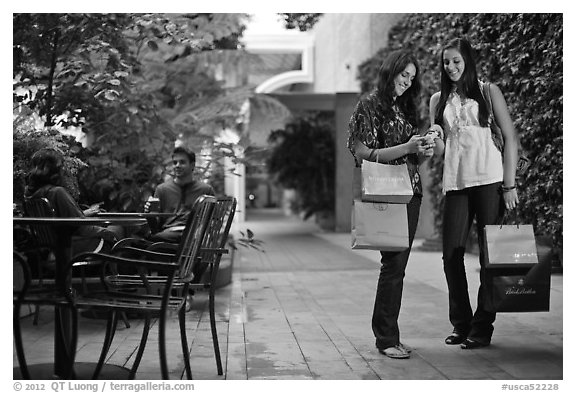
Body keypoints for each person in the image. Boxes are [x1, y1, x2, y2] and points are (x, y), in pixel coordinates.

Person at [429, 37, 519, 349]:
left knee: (490, 256)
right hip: (456, 182)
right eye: (445, 62)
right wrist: (435, 137)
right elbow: (442, 151)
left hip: (491, 182)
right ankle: (461, 322)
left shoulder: (488, 91)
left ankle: (482, 326)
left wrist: (509, 184)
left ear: (466, 60)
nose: (450, 67)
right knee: (451, 255)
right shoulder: (437, 100)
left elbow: (510, 138)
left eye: (455, 61)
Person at [347, 49, 437, 359]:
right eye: (403, 76)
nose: (407, 82)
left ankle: (391, 336)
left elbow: (414, 157)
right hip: (384, 192)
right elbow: (361, 152)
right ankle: (385, 339)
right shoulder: (369, 106)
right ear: (391, 72)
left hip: (411, 192)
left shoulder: (408, 108)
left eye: (412, 78)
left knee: (398, 267)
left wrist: (424, 148)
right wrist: (406, 146)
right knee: (393, 266)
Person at [24, 148, 119, 255]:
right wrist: (103, 228)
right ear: (56, 169)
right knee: (118, 228)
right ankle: (122, 269)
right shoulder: (57, 192)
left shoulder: (32, 194)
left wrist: (87, 213)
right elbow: (79, 225)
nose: (64, 169)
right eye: (62, 166)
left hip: (52, 246)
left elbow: (64, 219)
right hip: (74, 245)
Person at [145, 146, 215, 243]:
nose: (177, 165)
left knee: (142, 244)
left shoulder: (206, 190)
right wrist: (150, 215)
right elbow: (155, 228)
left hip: (192, 239)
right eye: (175, 162)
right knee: (144, 242)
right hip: (167, 237)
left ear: (192, 165)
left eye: (182, 162)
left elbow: (213, 220)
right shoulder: (162, 189)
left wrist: (202, 230)